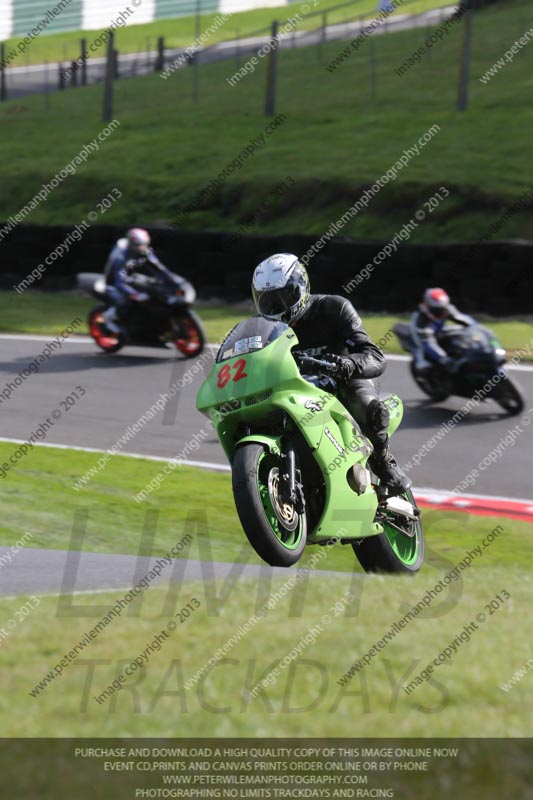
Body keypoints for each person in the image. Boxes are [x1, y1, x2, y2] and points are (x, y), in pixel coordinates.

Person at [251, 253, 411, 498]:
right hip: (295, 388)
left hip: (343, 379)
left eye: (283, 297)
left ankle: (383, 461)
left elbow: (374, 355)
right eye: (268, 301)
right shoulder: (262, 328)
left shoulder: (333, 307)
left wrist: (346, 364)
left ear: (301, 288)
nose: (276, 308)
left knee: (365, 405)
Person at [102, 228, 175, 331]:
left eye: (144, 244)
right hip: (113, 282)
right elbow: (118, 282)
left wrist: (171, 280)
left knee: (152, 289)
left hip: (131, 277)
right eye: (138, 245)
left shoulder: (145, 251)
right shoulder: (121, 258)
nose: (142, 247)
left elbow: (158, 267)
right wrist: (134, 294)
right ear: (131, 244)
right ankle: (110, 316)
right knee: (125, 301)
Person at [410, 288, 475, 373]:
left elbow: (462, 319)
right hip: (421, 336)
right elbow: (427, 341)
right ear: (427, 304)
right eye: (436, 309)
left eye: (442, 308)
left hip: (438, 331)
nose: (441, 312)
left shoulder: (446, 308)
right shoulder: (420, 318)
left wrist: (476, 328)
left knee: (458, 333)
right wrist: (444, 359)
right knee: (422, 360)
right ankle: (422, 364)